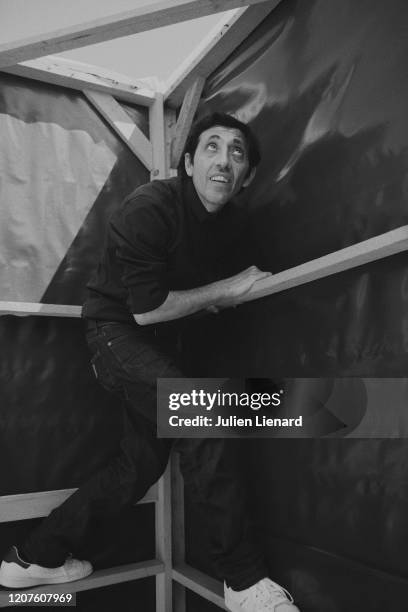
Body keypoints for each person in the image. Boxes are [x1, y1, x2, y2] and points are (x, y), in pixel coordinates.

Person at [0, 113, 300, 612]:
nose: (224, 160)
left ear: (246, 175)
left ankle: (34, 557)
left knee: (137, 465)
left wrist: (231, 290)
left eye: (237, 153)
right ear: (187, 162)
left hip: (162, 344)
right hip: (115, 334)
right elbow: (146, 308)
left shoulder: (229, 226)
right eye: (211, 147)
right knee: (201, 415)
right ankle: (244, 582)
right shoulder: (151, 207)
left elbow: (215, 293)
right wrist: (226, 288)